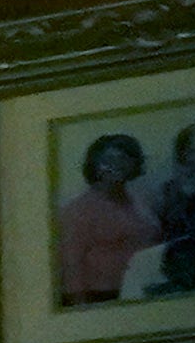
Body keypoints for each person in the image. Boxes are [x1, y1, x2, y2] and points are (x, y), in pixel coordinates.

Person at [52, 131, 153, 309]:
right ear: (95, 165)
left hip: (141, 293)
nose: (116, 166)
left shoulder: (139, 202)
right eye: (108, 161)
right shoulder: (77, 210)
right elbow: (70, 267)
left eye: (124, 159)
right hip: (100, 299)